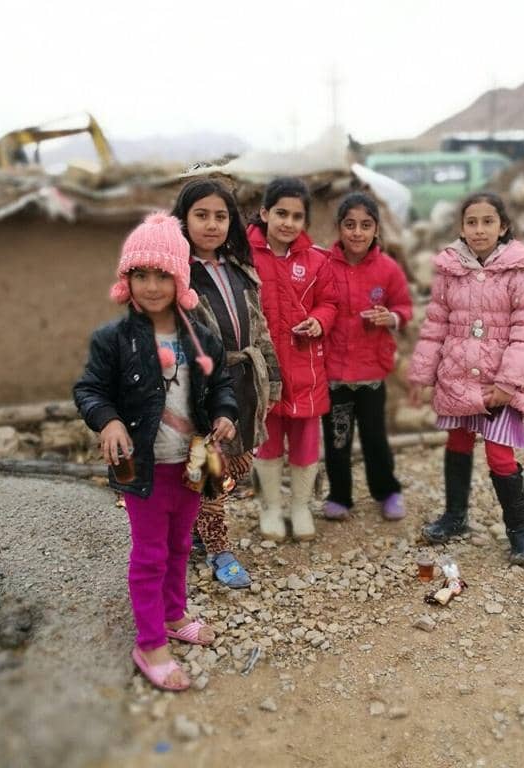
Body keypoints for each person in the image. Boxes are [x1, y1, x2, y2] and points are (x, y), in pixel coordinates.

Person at [73, 212, 238, 691]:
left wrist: (225, 412)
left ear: (179, 277)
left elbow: (221, 383)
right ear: (127, 280)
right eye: (140, 274)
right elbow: (90, 390)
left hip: (193, 461)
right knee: (149, 554)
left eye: (162, 274)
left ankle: (172, 614)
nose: (151, 285)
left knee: (181, 544)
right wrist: (108, 420)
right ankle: (149, 642)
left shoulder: (200, 337)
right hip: (142, 466)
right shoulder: (113, 340)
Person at [408, 192, 524, 564]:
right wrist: (421, 373)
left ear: (503, 227)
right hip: (456, 377)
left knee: (500, 455)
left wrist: (507, 384)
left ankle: (520, 529)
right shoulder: (450, 272)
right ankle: (454, 516)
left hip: (498, 384)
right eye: (472, 222)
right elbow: (436, 325)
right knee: (457, 443)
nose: (479, 229)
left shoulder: (520, 275)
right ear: (462, 228)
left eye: (488, 222)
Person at [172, 178, 281, 588]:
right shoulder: (177, 277)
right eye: (201, 215)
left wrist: (272, 377)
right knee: (208, 469)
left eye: (221, 216)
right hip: (202, 390)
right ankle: (217, 548)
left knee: (234, 466)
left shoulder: (240, 270)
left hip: (246, 383)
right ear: (183, 220)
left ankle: (196, 533)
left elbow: (262, 330)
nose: (212, 225)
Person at [247, 177, 337, 542]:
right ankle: (270, 507)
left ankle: (300, 507)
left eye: (297, 216)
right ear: (265, 213)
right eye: (281, 213)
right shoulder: (244, 256)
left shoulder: (317, 260)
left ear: (305, 222)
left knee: (304, 442)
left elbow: (330, 303)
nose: (288, 222)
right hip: (264, 369)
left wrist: (319, 321)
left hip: (306, 367)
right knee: (267, 441)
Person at [322, 192, 413, 521]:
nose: (357, 232)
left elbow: (405, 307)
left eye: (365, 225)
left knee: (376, 438)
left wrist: (391, 317)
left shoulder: (388, 269)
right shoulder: (324, 266)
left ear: (376, 229)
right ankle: (340, 496)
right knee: (338, 439)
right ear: (339, 228)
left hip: (372, 373)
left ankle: (388, 491)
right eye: (350, 225)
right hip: (335, 376)